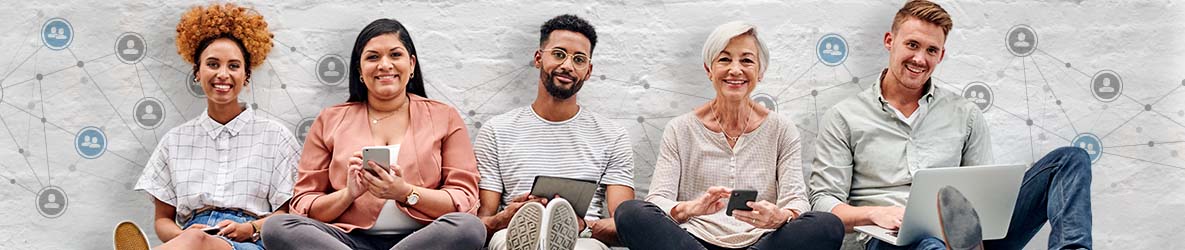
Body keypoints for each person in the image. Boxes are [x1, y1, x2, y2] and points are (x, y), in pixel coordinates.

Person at [808, 1, 1092, 249]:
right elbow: (823, 203)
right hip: (888, 241)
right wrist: (873, 214)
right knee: (929, 241)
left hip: (966, 238)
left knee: (1070, 160)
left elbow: (985, 195)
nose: (920, 58)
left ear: (941, 56)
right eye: (912, 45)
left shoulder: (965, 114)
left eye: (932, 50)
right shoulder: (844, 116)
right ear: (889, 41)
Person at [614, 21, 845, 250]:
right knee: (630, 212)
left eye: (746, 60)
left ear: (760, 71)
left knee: (828, 225)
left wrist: (780, 216)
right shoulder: (680, 128)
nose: (735, 70)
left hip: (762, 242)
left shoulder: (782, 129)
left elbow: (796, 200)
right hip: (693, 240)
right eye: (724, 59)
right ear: (709, 69)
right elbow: (657, 200)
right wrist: (691, 208)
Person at [260, 18, 486, 250]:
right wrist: (348, 194)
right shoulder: (330, 119)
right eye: (373, 57)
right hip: (345, 240)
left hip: (422, 238)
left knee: (469, 227)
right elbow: (303, 204)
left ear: (412, 64)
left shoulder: (443, 116)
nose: (385, 65)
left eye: (395, 55)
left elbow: (465, 200)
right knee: (277, 227)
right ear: (360, 69)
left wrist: (405, 192)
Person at [114, 3, 298, 250]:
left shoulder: (276, 137)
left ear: (246, 76)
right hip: (189, 238)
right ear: (197, 72)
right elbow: (162, 220)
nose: (223, 74)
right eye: (212, 64)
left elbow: (288, 216)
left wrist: (250, 228)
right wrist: (184, 233)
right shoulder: (175, 140)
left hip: (251, 240)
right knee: (195, 239)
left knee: (198, 242)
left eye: (233, 66)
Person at [475, 14, 633, 250]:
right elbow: (481, 221)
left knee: (583, 248)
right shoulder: (496, 131)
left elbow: (625, 226)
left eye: (578, 60)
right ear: (538, 58)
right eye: (559, 54)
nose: (567, 66)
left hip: (582, 239)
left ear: (588, 71)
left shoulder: (612, 136)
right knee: (504, 241)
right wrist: (505, 218)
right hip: (514, 231)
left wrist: (582, 226)